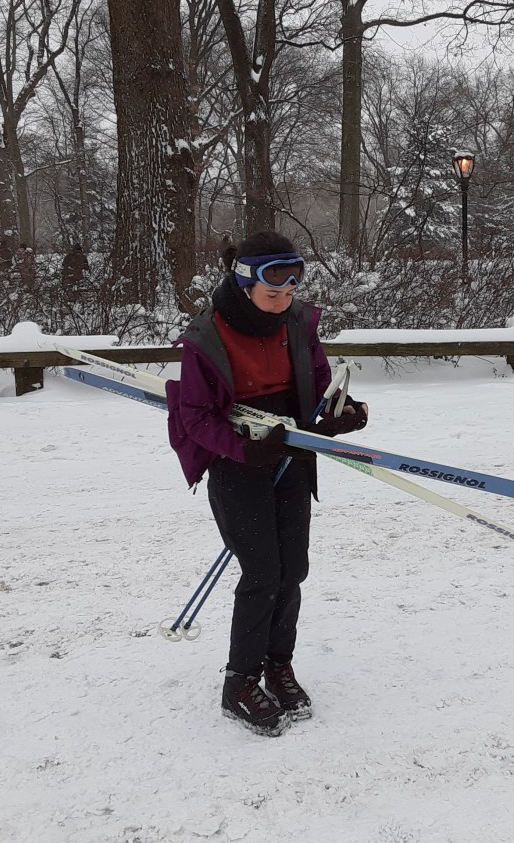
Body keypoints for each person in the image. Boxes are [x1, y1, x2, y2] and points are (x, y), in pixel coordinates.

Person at [171, 231, 369, 736]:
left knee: (293, 569)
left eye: (289, 293)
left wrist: (336, 418)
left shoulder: (299, 324)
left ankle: (279, 664)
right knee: (262, 571)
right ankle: (240, 680)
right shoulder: (207, 337)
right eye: (272, 294)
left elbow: (317, 389)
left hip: (291, 455)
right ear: (244, 285)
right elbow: (193, 417)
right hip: (238, 461)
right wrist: (245, 449)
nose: (283, 303)